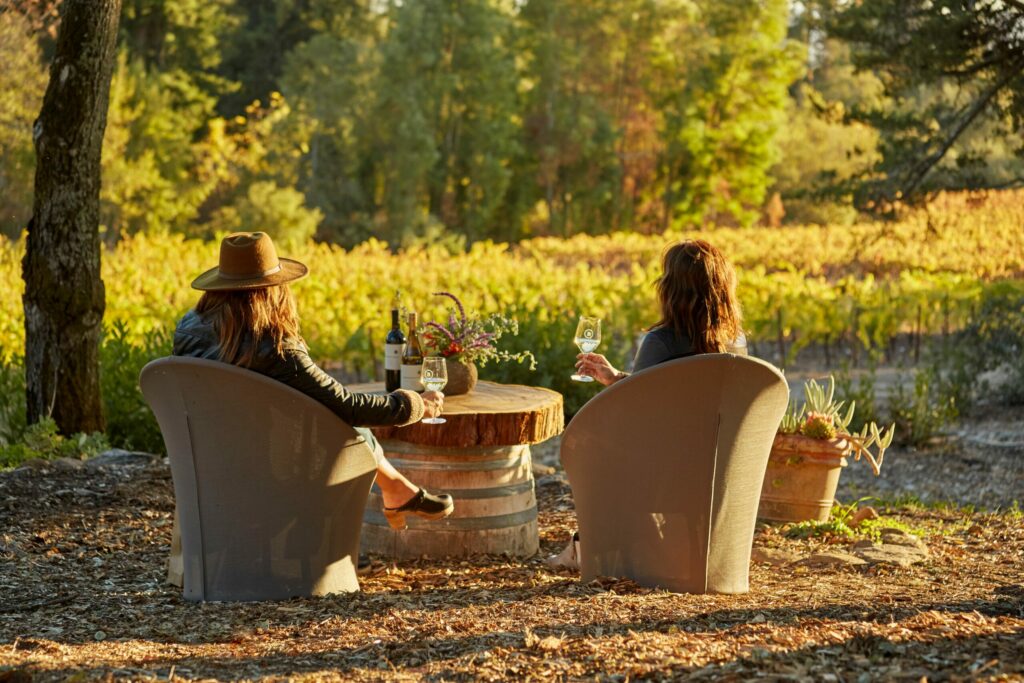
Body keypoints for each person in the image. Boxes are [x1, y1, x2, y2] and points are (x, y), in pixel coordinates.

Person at [173, 231, 454, 530]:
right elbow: (350, 406)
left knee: (328, 408)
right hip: (272, 468)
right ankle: (396, 489)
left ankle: (397, 488)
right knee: (339, 419)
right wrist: (413, 404)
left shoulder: (187, 331)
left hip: (206, 462)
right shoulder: (275, 349)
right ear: (273, 290)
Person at [548, 238, 744, 569]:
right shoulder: (736, 345)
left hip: (661, 478)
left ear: (670, 288)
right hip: (722, 471)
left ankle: (588, 547)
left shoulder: (661, 341)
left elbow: (636, 414)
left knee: (597, 448)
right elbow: (679, 395)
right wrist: (617, 378)